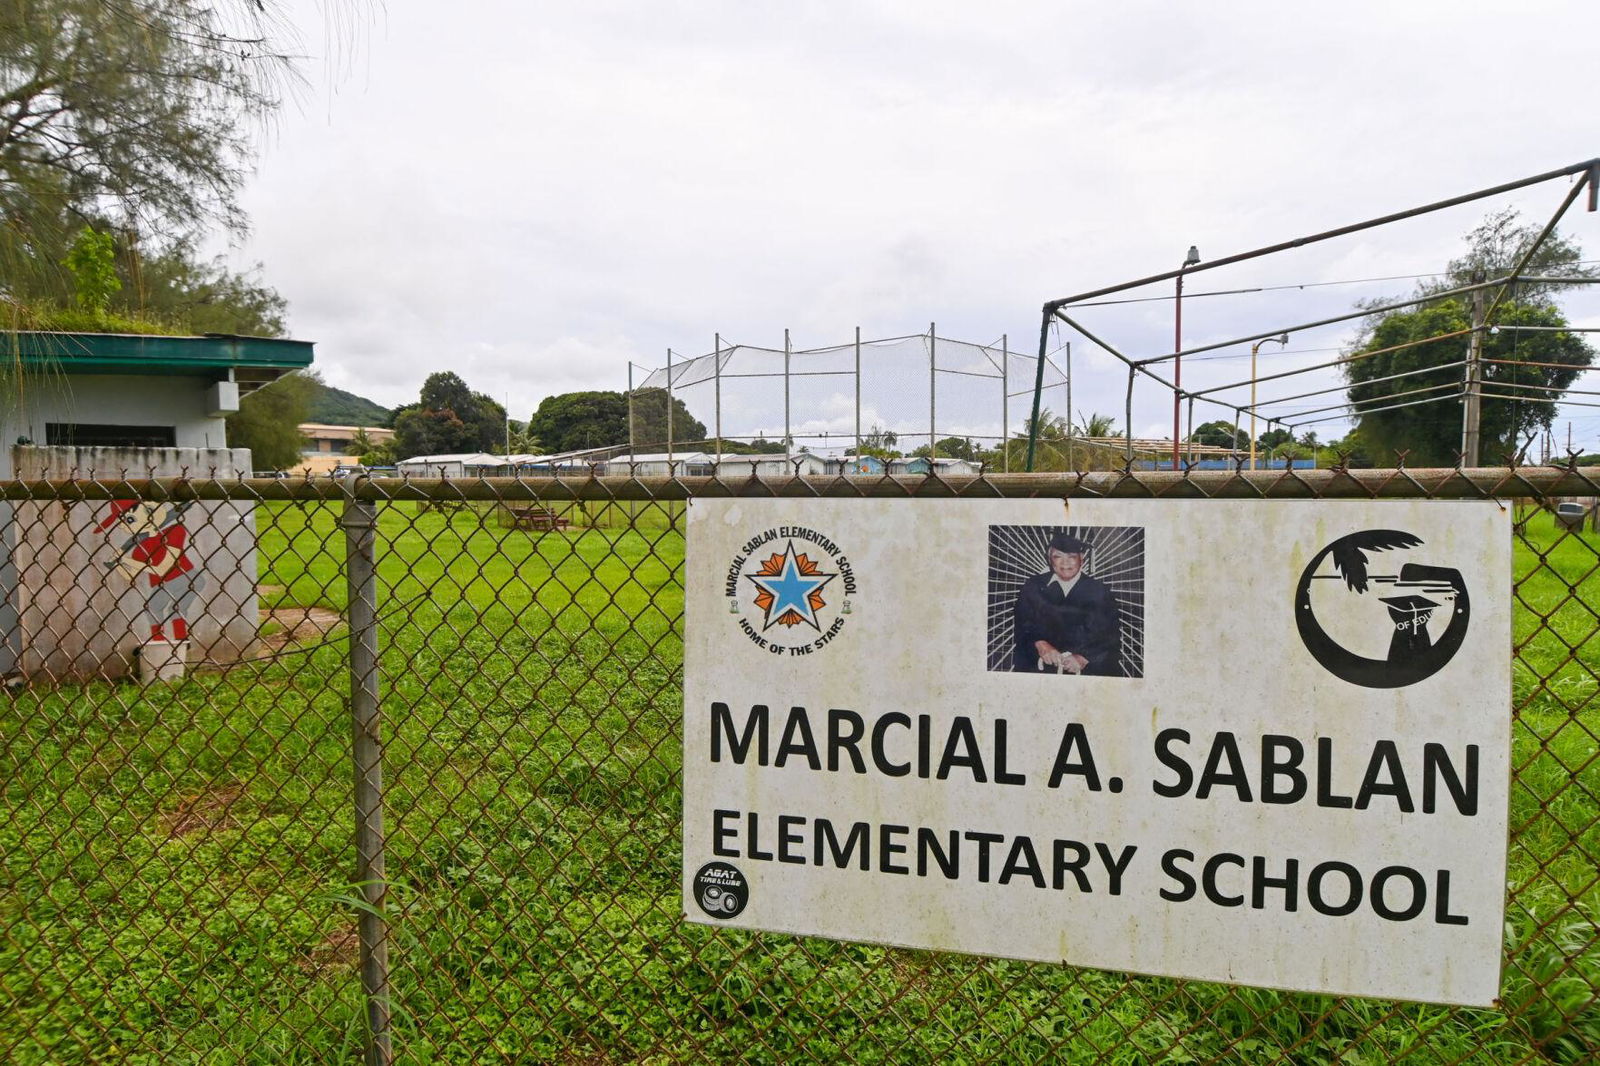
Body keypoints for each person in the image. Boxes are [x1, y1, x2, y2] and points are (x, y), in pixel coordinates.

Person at [1012, 532, 1122, 676]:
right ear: (1050, 560)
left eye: (1071, 557)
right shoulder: (1033, 586)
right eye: (1058, 557)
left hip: (1086, 672)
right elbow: (1023, 623)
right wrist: (1040, 643)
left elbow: (1110, 635)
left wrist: (1083, 657)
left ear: (1082, 559)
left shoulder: (1099, 591)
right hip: (1040, 670)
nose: (1065, 563)